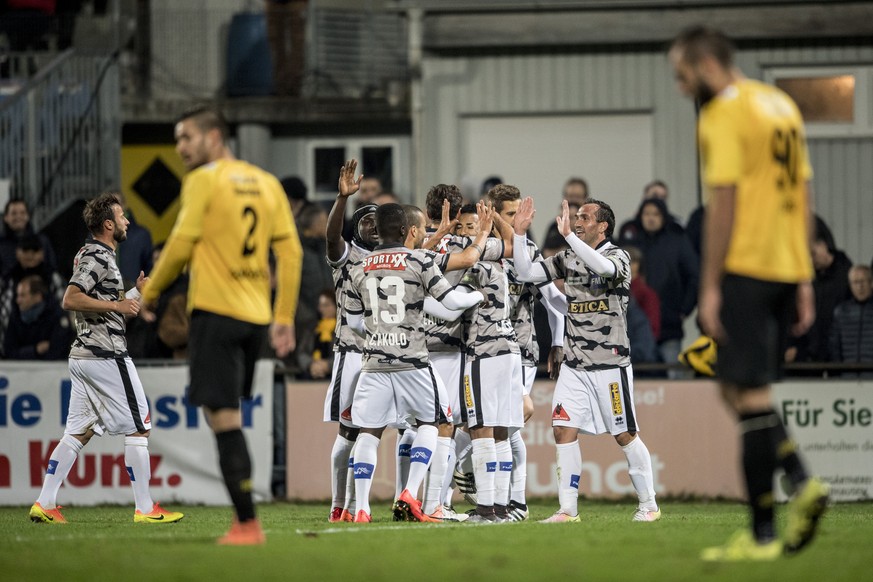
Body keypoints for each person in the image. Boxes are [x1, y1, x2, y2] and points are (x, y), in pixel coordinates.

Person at [669, 25, 828, 560]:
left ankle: (769, 525)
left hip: (747, 266)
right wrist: (805, 274)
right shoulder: (779, 104)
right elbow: (804, 192)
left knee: (750, 394)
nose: (681, 87)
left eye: (682, 75)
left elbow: (724, 206)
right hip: (785, 266)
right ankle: (794, 487)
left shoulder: (723, 115)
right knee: (736, 391)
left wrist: (710, 284)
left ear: (706, 65)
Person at [143, 105, 303, 545]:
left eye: (186, 138)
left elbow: (180, 241)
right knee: (229, 417)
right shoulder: (268, 183)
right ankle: (246, 520)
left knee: (224, 420)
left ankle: (247, 523)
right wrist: (283, 316)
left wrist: (150, 291)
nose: (180, 149)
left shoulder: (203, 180)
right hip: (255, 318)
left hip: (215, 313)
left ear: (214, 138)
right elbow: (290, 254)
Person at [29, 192, 184, 526]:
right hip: (105, 355)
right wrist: (118, 305)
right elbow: (70, 299)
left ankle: (44, 503)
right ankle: (145, 508)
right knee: (140, 426)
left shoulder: (97, 255)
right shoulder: (98, 256)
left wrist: (133, 294)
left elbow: (97, 304)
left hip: (84, 354)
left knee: (78, 432)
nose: (128, 221)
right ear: (108, 224)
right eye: (122, 216)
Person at [512, 196, 660, 525]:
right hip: (575, 365)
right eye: (576, 216)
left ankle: (648, 504)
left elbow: (604, 269)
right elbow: (526, 272)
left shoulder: (617, 256)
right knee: (563, 430)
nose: (578, 221)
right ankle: (568, 510)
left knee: (624, 434)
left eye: (585, 217)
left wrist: (569, 237)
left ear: (603, 226)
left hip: (610, 363)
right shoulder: (567, 257)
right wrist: (520, 235)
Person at [345, 203, 485, 523]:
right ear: (410, 231)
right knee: (432, 423)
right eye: (423, 229)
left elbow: (353, 322)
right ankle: (410, 493)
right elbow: (451, 302)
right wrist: (477, 297)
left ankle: (362, 508)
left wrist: (379, 333)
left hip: (374, 363)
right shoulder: (419, 259)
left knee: (369, 432)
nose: (426, 234)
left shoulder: (360, 264)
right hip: (412, 361)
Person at [620, 198, 699, 375]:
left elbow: (694, 276)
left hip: (669, 327)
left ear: (664, 217)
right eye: (647, 214)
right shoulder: (631, 242)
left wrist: (684, 309)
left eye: (655, 214)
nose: (651, 218)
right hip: (634, 337)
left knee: (672, 382)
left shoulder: (677, 241)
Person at [787, 216, 853, 364]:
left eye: (813, 253)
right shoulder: (807, 280)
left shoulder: (848, 276)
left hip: (839, 362)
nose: (810, 259)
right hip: (810, 359)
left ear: (823, 244)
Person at [2, 273, 73, 360]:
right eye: (18, 295)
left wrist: (24, 353)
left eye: (22, 295)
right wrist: (35, 350)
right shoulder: (15, 315)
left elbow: (58, 352)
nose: (18, 300)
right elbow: (9, 352)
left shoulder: (57, 317)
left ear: (37, 297)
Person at [828, 265, 873, 377]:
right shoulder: (841, 311)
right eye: (855, 282)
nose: (860, 287)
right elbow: (834, 347)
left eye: (862, 281)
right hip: (847, 378)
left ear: (871, 283)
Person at [0, 199, 58, 278]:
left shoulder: (42, 241)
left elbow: (52, 268)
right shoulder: (1, 245)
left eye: (22, 213)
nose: (18, 217)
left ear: (28, 216)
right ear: (6, 217)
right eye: (14, 213)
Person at [114, 191, 154, 289]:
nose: (114, 210)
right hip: (103, 297)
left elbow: (150, 268)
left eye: (117, 204)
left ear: (124, 205)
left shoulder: (141, 235)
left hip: (135, 294)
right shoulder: (96, 234)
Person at [542, 177, 588, 252]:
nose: (573, 201)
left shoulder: (595, 226)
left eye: (578, 197)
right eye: (570, 196)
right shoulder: (554, 226)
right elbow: (545, 254)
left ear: (585, 199)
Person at [309, 288, 337, 379]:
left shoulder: (343, 329)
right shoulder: (313, 328)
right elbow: (302, 353)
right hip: (312, 373)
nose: (322, 309)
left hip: (335, 375)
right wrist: (311, 365)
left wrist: (328, 365)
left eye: (326, 305)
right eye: (320, 306)